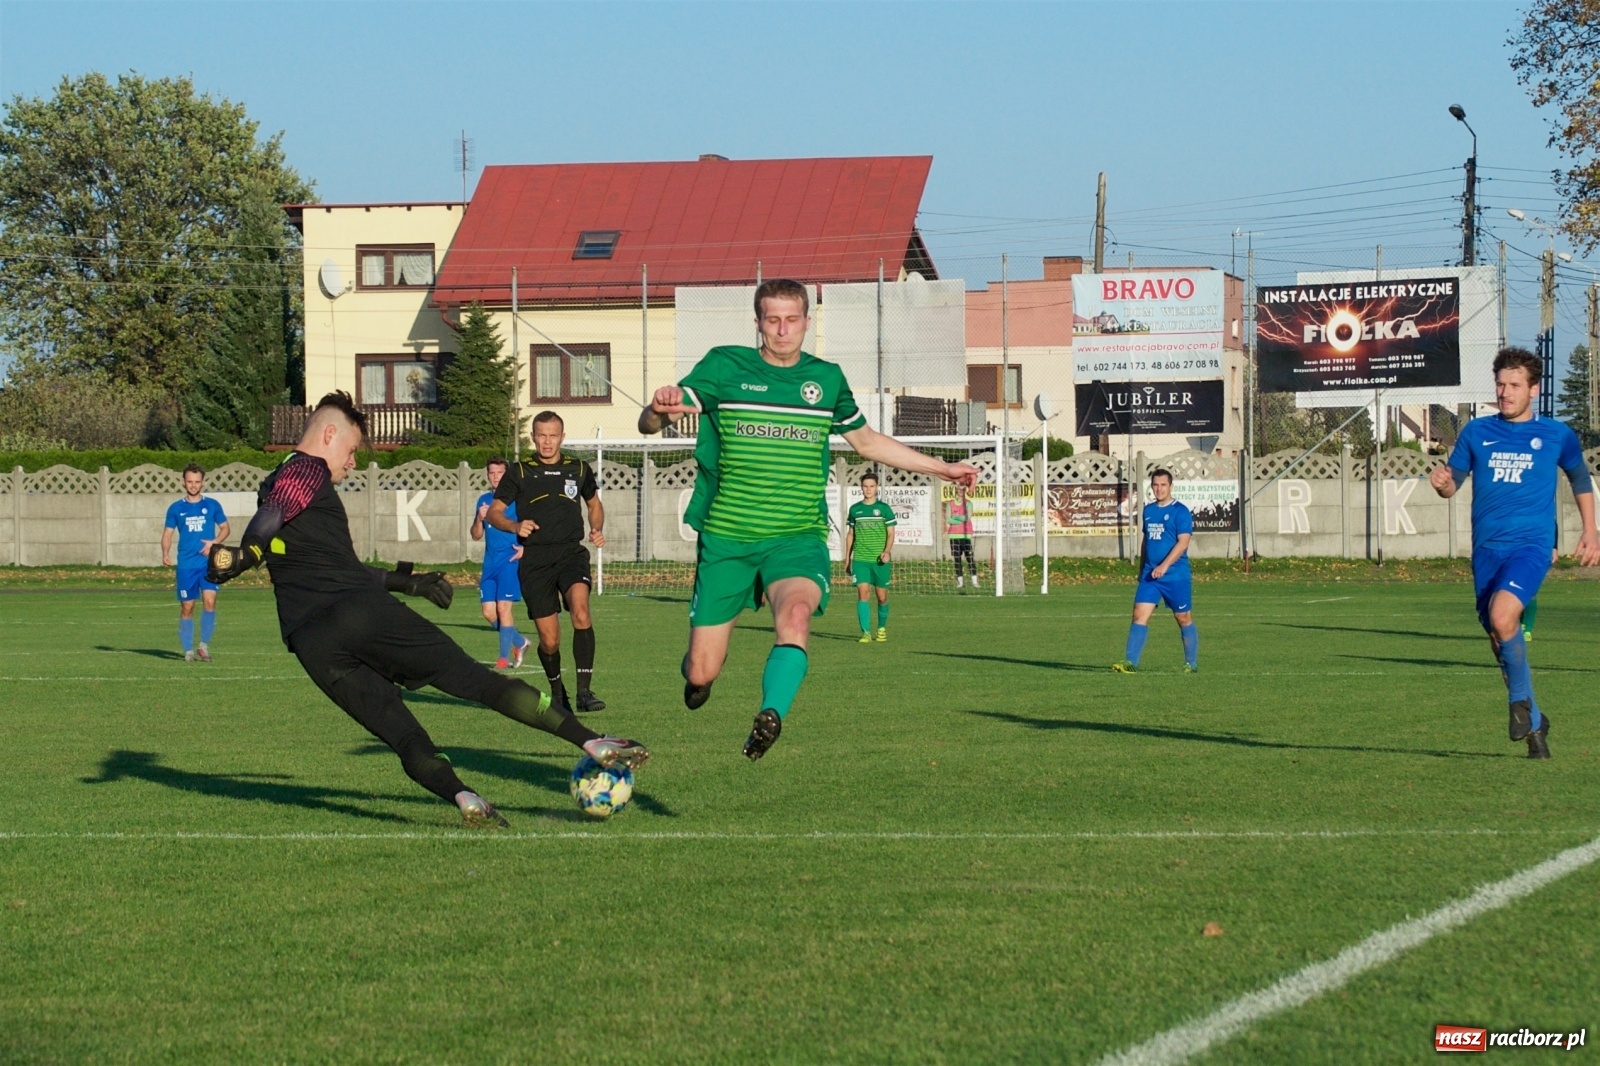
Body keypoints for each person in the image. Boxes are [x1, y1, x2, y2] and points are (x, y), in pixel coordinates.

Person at [204, 392, 646, 828]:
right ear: (329, 434)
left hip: (310, 641)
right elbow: (277, 512)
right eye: (352, 450)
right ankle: (592, 742)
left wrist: (408, 581)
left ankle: (465, 797)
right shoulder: (305, 468)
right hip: (359, 611)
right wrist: (247, 553)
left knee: (402, 733)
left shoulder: (275, 480)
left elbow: (332, 560)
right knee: (478, 682)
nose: (352, 462)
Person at [639, 278, 979, 759]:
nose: (782, 330)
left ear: (807, 322)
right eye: (772, 320)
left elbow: (868, 442)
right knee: (701, 670)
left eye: (792, 319)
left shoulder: (827, 380)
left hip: (797, 537)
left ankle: (771, 714)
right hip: (728, 540)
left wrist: (943, 467)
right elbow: (655, 422)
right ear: (757, 322)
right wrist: (657, 409)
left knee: (796, 616)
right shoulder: (724, 366)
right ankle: (698, 677)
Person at [1429, 347, 1599, 758]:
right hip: (1487, 550)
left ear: (1533, 390)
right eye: (1501, 385)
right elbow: (1453, 485)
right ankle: (1536, 722)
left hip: (1532, 546)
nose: (1505, 393)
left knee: (1505, 617)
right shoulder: (1475, 432)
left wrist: (1591, 531)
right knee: (1498, 634)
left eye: (1514, 385)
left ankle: (1518, 705)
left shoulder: (1557, 435)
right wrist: (1441, 484)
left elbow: (1580, 479)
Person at [486, 412, 607, 714]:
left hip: (570, 553)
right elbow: (494, 512)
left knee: (581, 612)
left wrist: (596, 528)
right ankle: (558, 694)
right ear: (534, 437)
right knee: (549, 640)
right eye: (541, 435)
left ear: (562, 437)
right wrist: (515, 527)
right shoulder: (520, 471)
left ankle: (584, 692)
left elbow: (594, 504)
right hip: (536, 560)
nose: (547, 441)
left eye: (553, 435)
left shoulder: (578, 468)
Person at [1113, 468, 1198, 674]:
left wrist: (1164, 565)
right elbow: (1146, 541)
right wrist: (1143, 568)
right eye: (1155, 485)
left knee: (1183, 618)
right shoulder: (1148, 511)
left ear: (1171, 486)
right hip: (1150, 575)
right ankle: (1130, 662)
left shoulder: (1180, 511)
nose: (1159, 489)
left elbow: (1183, 543)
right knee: (1139, 615)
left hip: (1175, 575)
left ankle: (1191, 663)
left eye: (1163, 485)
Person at [161, 464, 230, 662]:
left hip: (208, 565)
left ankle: (203, 646)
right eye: (190, 481)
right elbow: (167, 533)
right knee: (187, 607)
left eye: (197, 481)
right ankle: (188, 650)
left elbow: (225, 528)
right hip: (186, 565)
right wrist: (165, 552)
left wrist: (214, 542)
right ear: (184, 482)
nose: (193, 485)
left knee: (210, 602)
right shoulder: (176, 508)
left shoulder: (212, 505)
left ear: (203, 482)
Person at [470, 457, 531, 669]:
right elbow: (476, 536)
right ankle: (520, 642)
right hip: (490, 564)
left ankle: (503, 659)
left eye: (499, 473)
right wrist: (479, 519)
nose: (495, 477)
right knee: (489, 612)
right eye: (492, 473)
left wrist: (525, 549)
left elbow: (532, 526)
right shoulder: (484, 500)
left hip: (509, 561)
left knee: (504, 608)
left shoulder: (518, 500)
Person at [844, 472, 896, 642]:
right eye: (865, 486)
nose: (868, 489)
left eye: (871, 486)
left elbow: (891, 533)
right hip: (861, 559)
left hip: (880, 561)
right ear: (861, 488)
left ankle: (881, 628)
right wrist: (847, 559)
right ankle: (866, 632)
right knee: (863, 593)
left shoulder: (884, 509)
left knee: (882, 597)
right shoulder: (855, 510)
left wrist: (887, 551)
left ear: (876, 488)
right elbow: (850, 535)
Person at [946, 484, 979, 588]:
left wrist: (955, 517)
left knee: (970, 558)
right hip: (953, 536)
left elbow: (967, 517)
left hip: (965, 535)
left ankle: (975, 581)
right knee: (957, 559)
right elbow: (948, 519)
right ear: (956, 490)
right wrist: (961, 518)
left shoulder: (968, 503)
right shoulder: (950, 504)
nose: (961, 491)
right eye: (959, 489)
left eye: (963, 489)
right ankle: (960, 582)